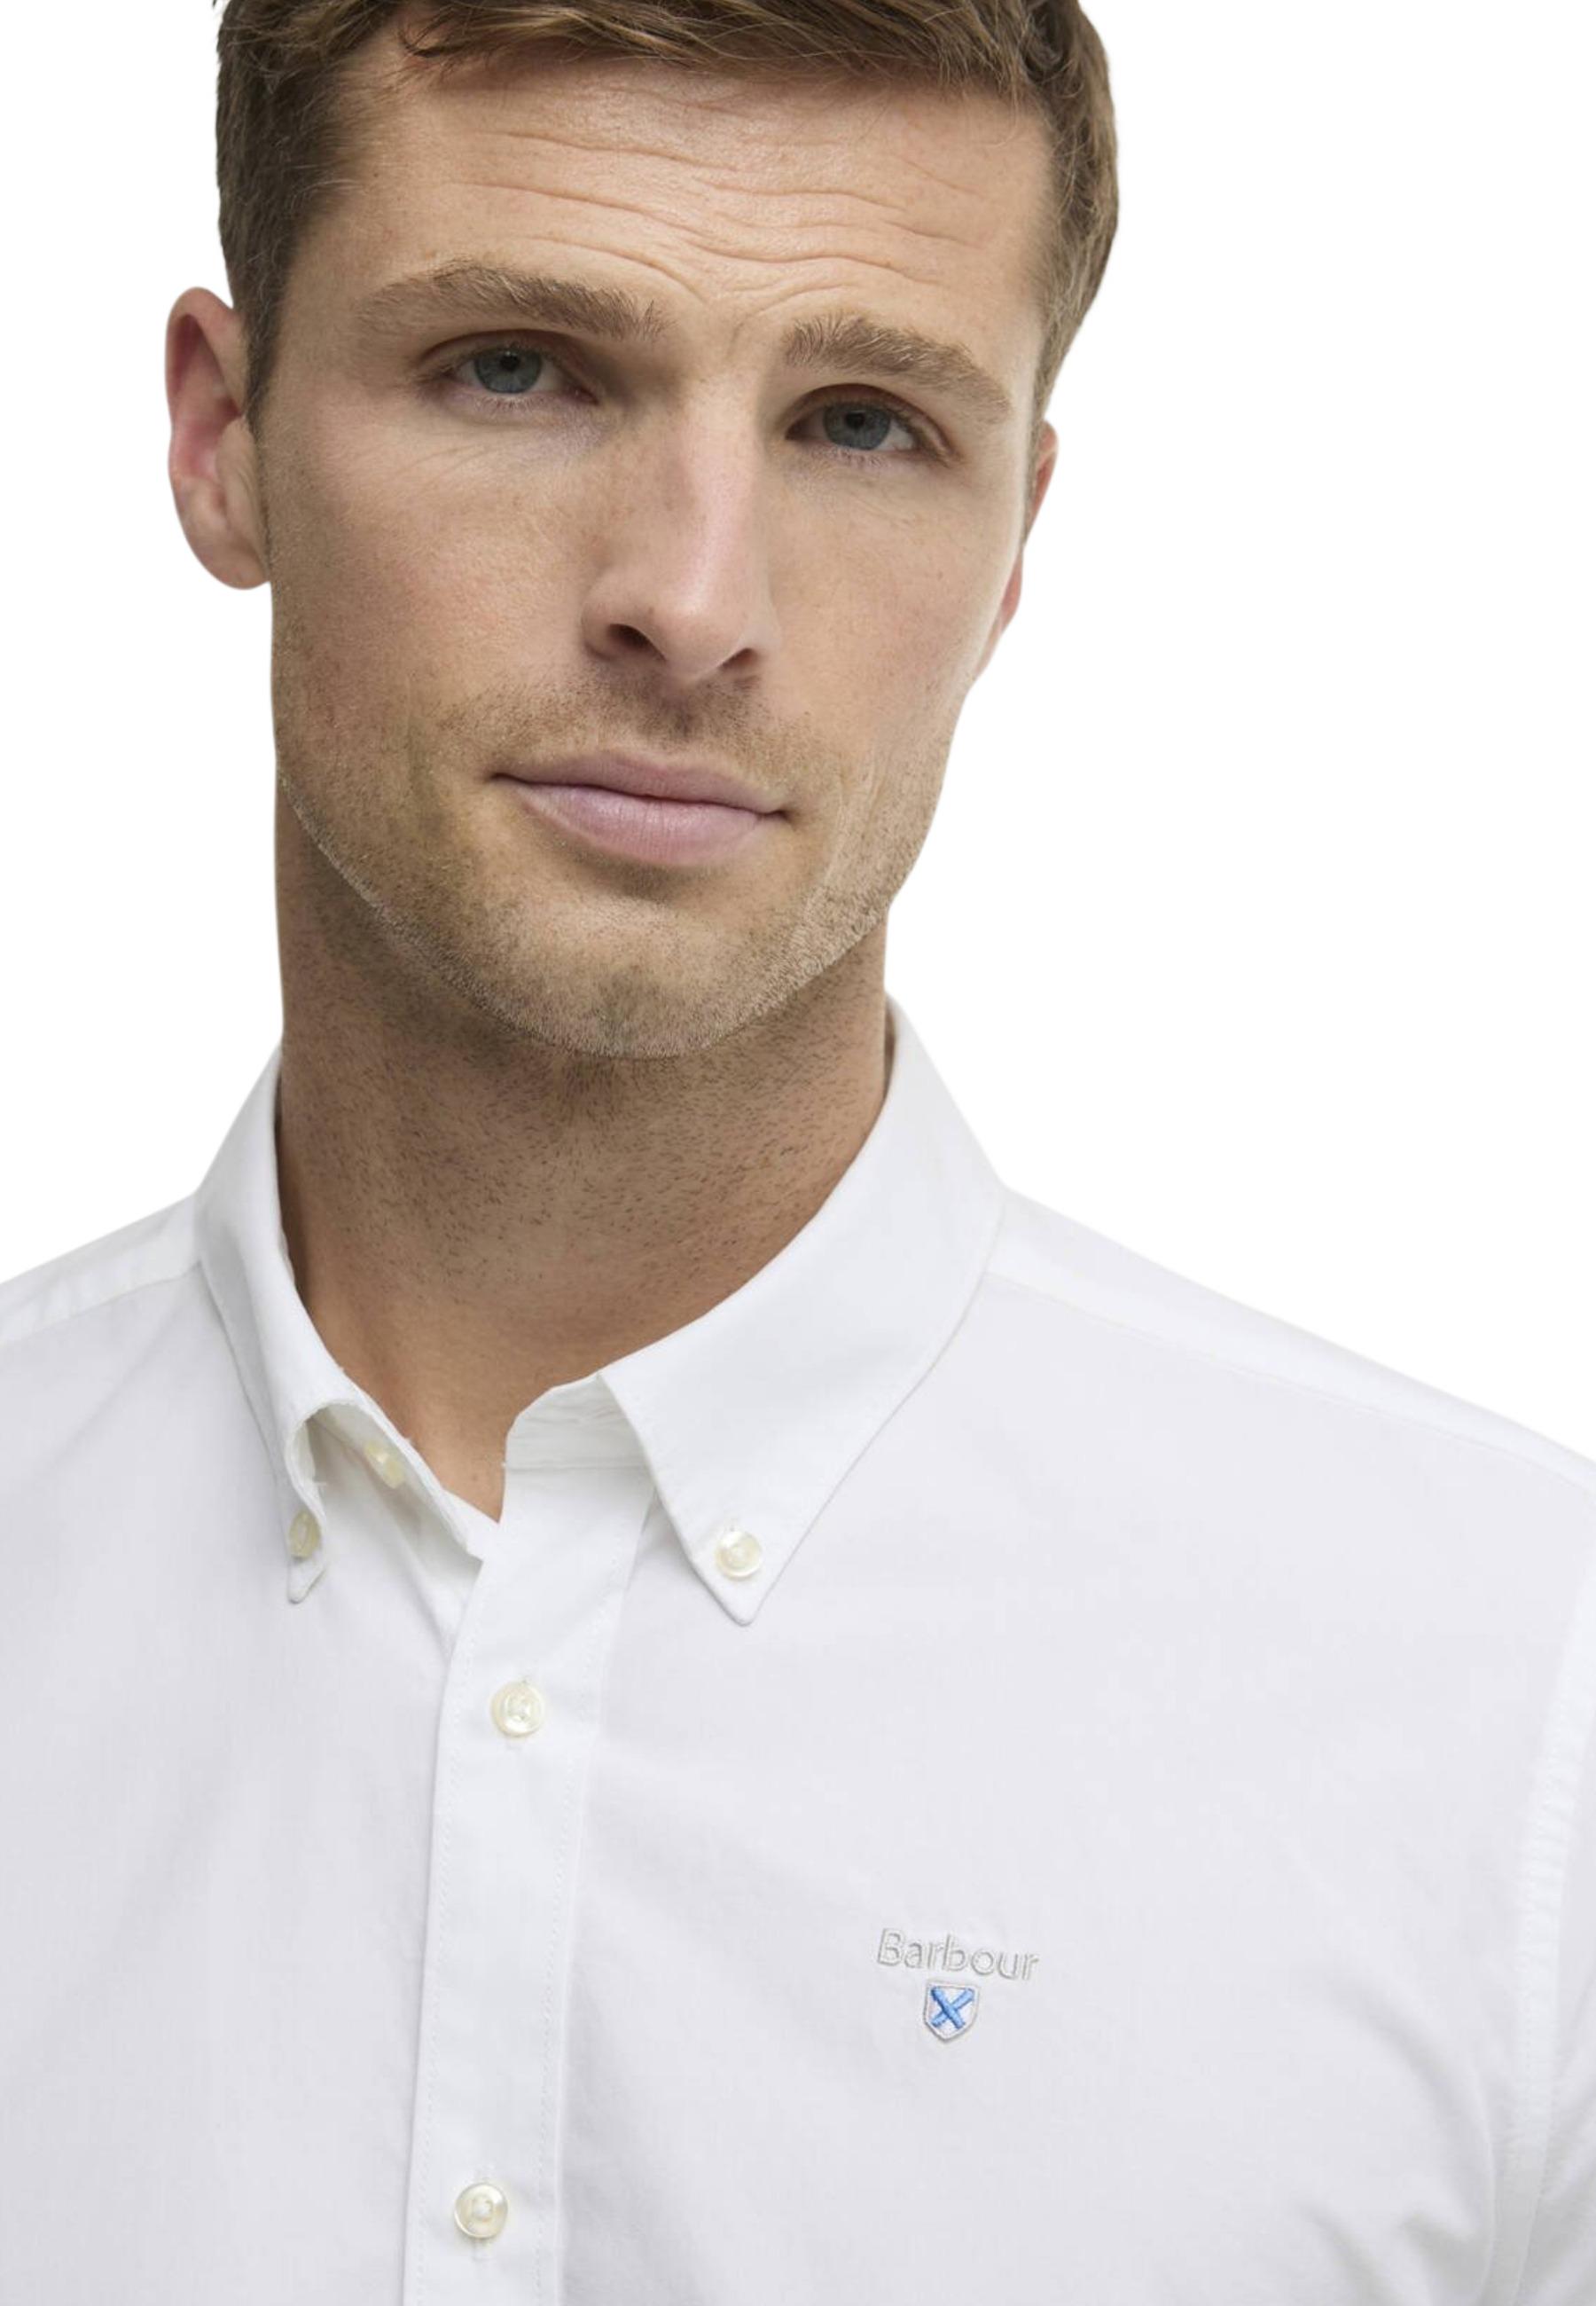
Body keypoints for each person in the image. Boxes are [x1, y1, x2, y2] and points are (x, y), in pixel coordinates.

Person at [0, 2, 1591, 2298]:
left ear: (1017, 536)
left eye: (862, 422)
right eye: (519, 371)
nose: (693, 598)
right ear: (220, 440)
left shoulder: (1524, 1716)